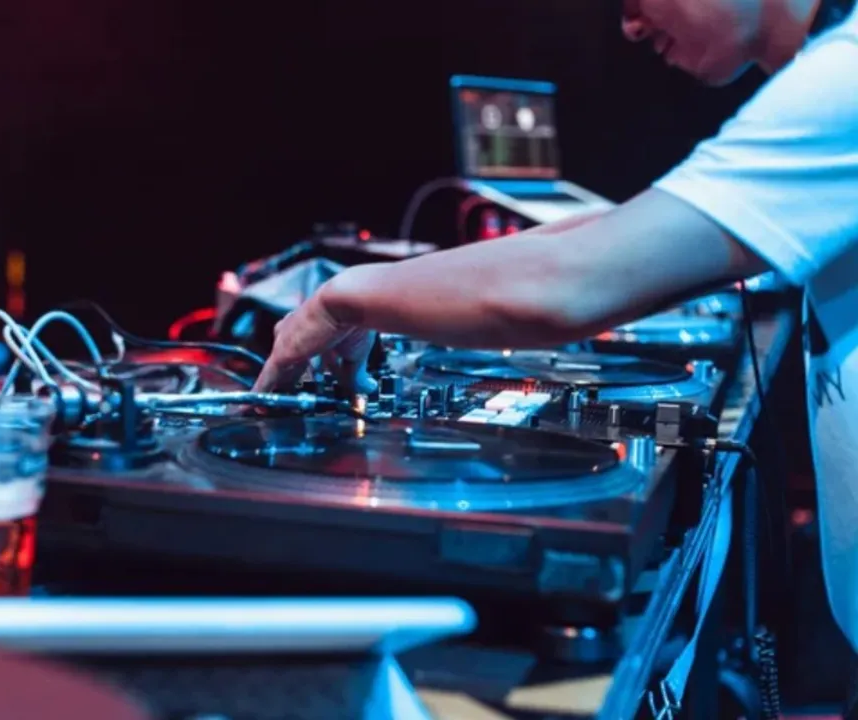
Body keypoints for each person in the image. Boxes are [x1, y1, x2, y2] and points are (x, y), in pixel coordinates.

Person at [255, 0, 858, 673]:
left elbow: (571, 283)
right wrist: (390, 288)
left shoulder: (846, 77)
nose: (629, 25)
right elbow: (604, 236)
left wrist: (343, 299)